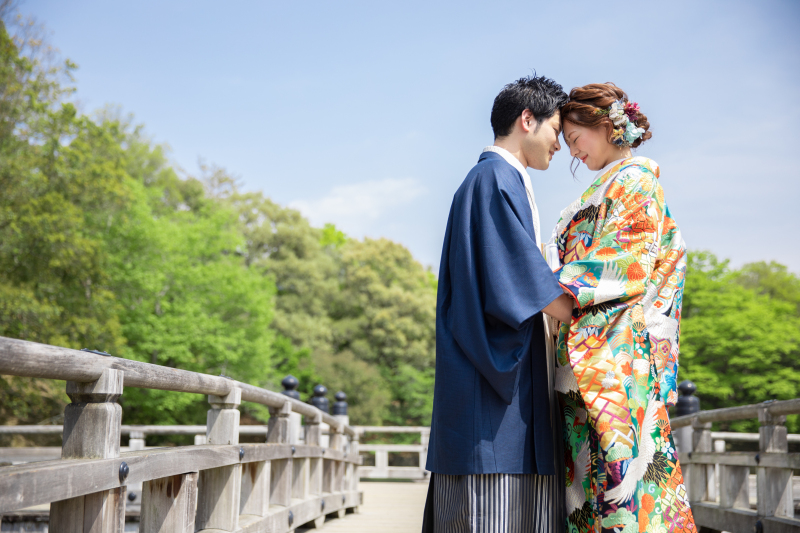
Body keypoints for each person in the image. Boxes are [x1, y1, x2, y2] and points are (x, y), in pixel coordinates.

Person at [422, 75, 574, 533]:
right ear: (527, 120)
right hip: (491, 386)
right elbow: (518, 278)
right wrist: (585, 310)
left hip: (498, 373)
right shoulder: (492, 178)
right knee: (492, 514)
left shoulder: (496, 179)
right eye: (556, 130)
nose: (560, 146)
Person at [552, 83, 696, 533]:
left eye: (576, 140)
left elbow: (625, 266)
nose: (574, 154)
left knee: (622, 480)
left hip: (613, 351)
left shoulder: (635, 180)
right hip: (587, 344)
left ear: (607, 126)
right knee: (587, 487)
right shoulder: (604, 186)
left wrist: (542, 287)